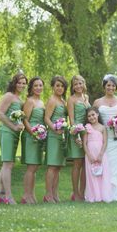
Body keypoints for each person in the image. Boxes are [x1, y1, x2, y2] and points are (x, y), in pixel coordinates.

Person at [0, 71, 27, 204]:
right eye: (19, 82)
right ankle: (8, 196)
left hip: (14, 134)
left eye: (24, 83)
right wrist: (13, 127)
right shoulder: (9, 96)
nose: (21, 85)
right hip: (7, 131)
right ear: (14, 83)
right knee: (7, 164)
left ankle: (1, 194)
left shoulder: (19, 99)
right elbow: (0, 114)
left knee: (8, 163)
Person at [43, 75, 69, 203]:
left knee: (58, 166)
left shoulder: (63, 101)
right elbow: (46, 118)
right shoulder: (52, 100)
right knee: (52, 166)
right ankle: (48, 194)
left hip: (62, 136)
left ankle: (55, 193)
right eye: (57, 85)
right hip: (54, 136)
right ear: (53, 87)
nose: (60, 88)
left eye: (62, 86)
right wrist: (54, 128)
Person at [20, 77, 45, 204]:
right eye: (36, 85)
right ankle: (26, 195)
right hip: (30, 136)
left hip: (38, 136)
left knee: (35, 167)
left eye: (40, 85)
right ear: (31, 88)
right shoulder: (29, 101)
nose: (39, 88)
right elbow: (25, 120)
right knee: (31, 167)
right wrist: (33, 133)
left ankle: (31, 194)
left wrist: (40, 134)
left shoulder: (41, 102)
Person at [66, 75, 90, 201]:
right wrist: (76, 135)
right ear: (73, 87)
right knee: (77, 164)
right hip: (77, 134)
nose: (78, 86)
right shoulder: (71, 99)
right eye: (75, 84)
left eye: (80, 83)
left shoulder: (86, 97)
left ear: (83, 83)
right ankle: (75, 193)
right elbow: (72, 119)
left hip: (87, 134)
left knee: (86, 164)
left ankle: (82, 192)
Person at [83, 107, 112, 203]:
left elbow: (105, 142)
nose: (91, 117)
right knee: (92, 174)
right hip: (90, 153)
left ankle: (103, 195)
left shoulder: (103, 128)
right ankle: (94, 195)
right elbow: (85, 143)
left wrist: (100, 155)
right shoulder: (87, 127)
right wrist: (89, 155)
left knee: (102, 173)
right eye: (89, 116)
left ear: (97, 114)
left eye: (93, 115)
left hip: (100, 153)